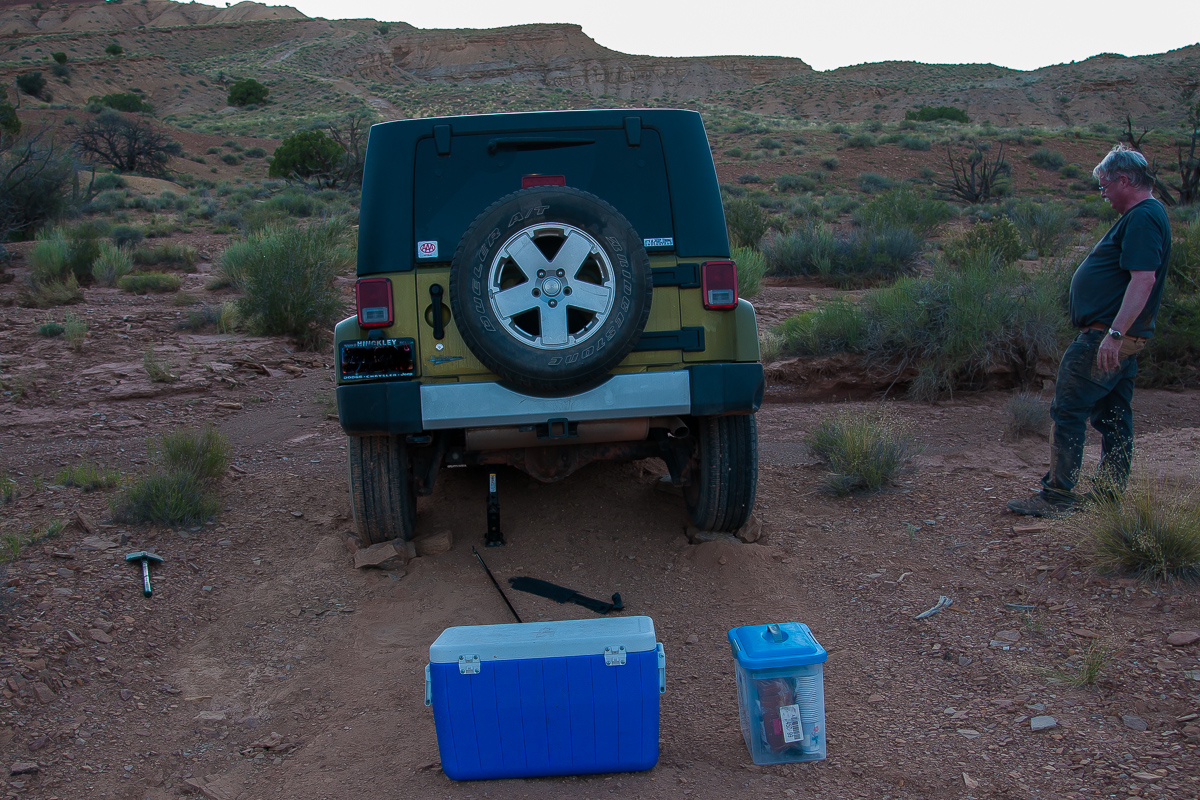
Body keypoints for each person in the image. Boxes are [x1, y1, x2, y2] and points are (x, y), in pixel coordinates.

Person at [1007, 144, 1171, 517]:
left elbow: (1143, 280)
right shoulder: (1149, 214)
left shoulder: (1143, 216)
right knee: (1113, 415)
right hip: (1124, 336)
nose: (1103, 194)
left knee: (1068, 410)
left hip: (1107, 337)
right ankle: (1108, 496)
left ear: (1125, 180)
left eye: (1105, 186)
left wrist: (1113, 334)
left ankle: (1057, 497)